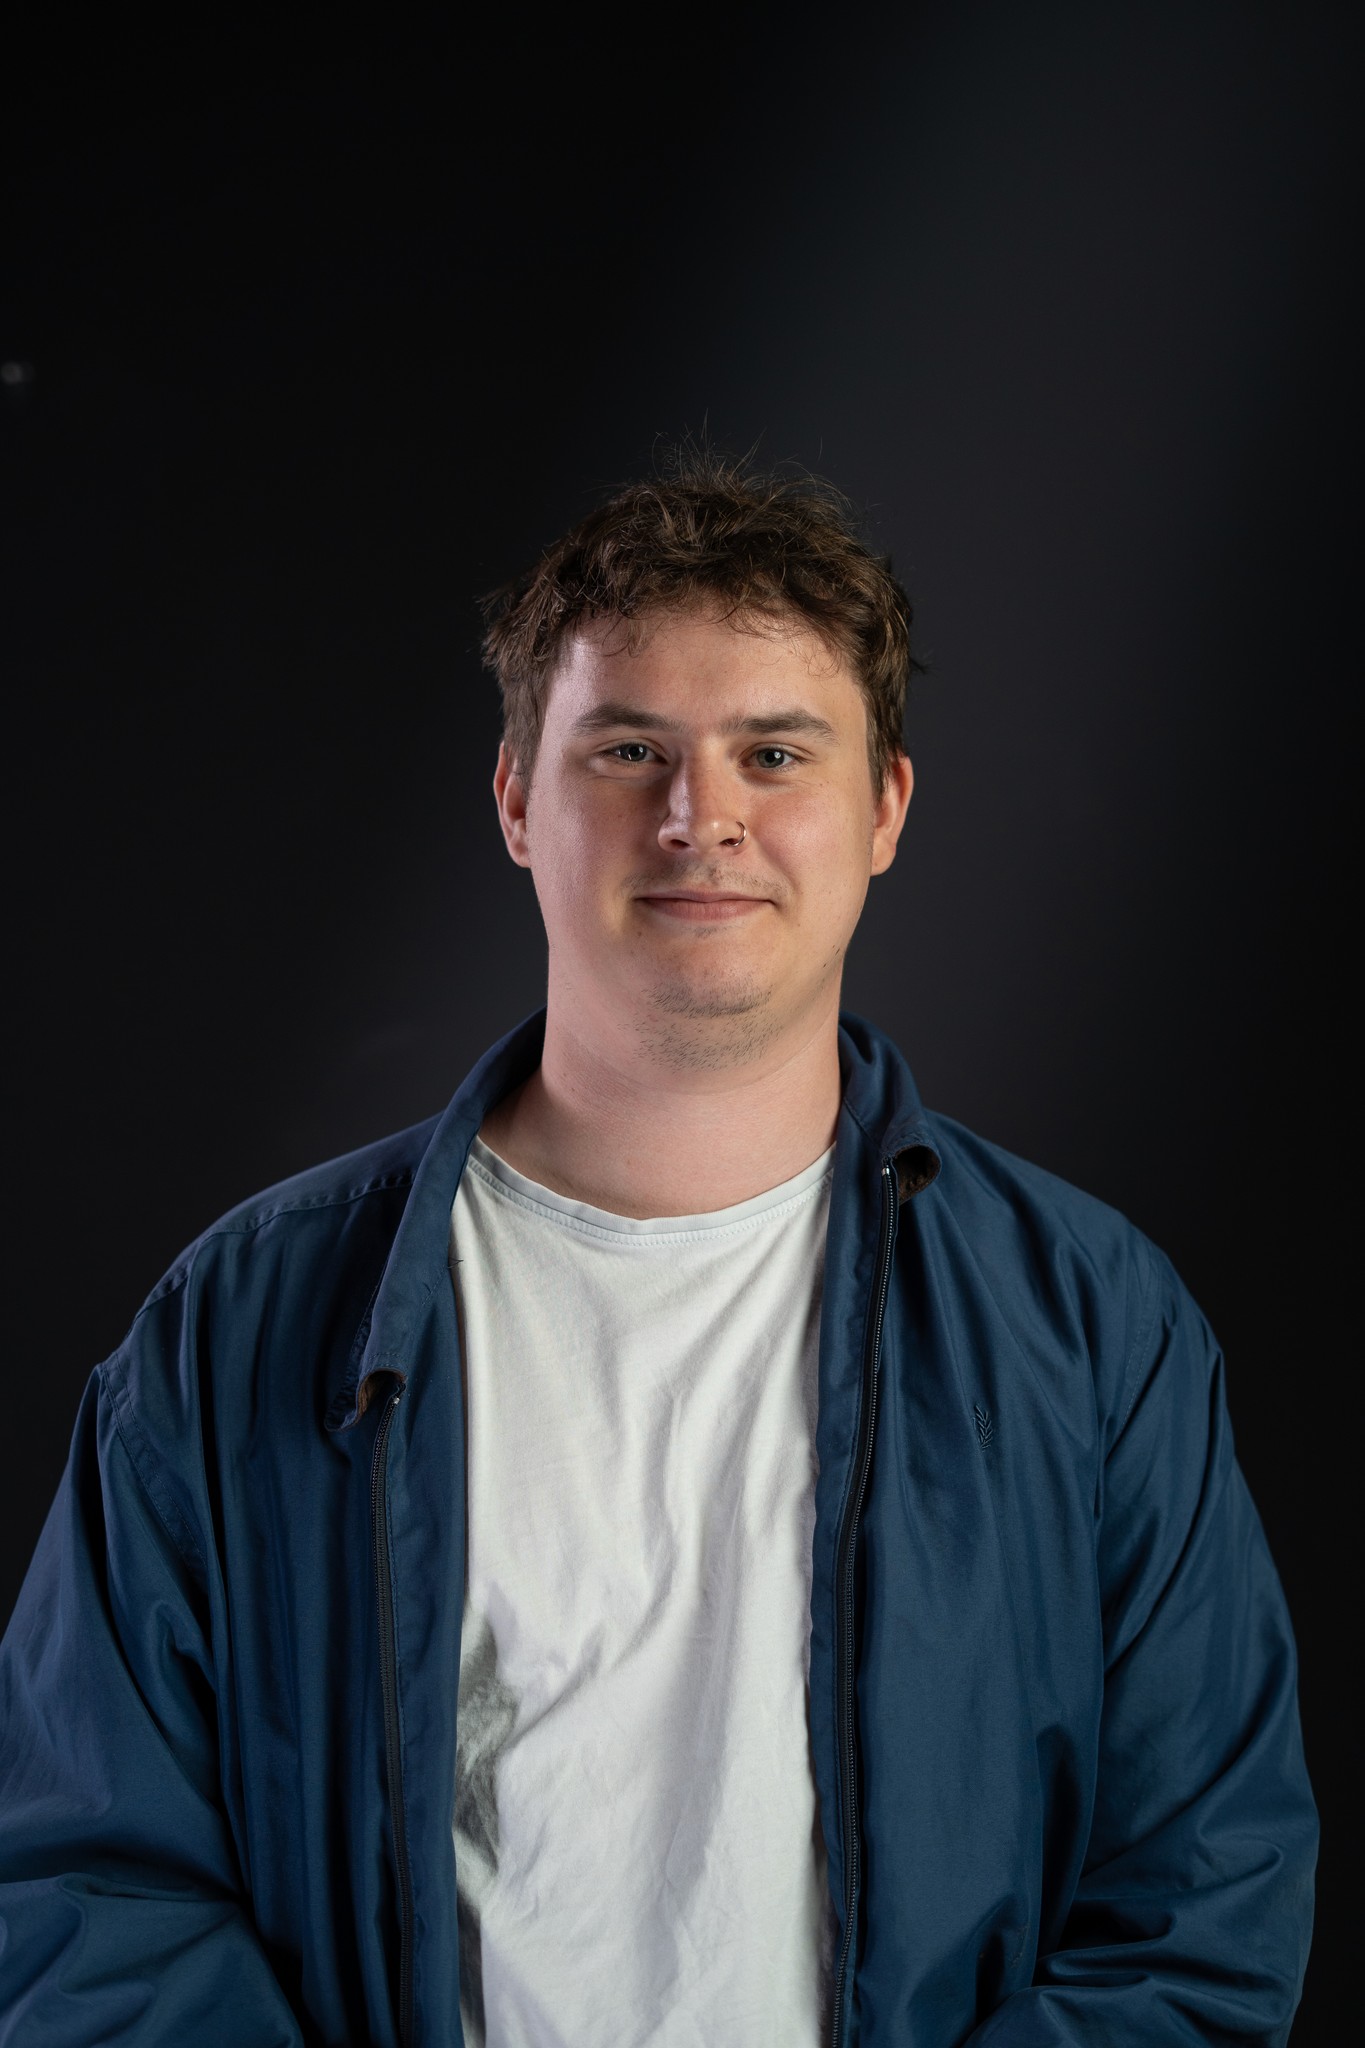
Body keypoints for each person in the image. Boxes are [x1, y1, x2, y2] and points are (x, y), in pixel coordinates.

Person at [0, 452, 1316, 2047]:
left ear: (884, 809)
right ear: (512, 803)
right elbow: (84, 1882)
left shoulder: (1093, 1328)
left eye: (775, 752)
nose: (702, 817)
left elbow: (1196, 1907)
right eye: (627, 749)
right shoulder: (248, 1325)